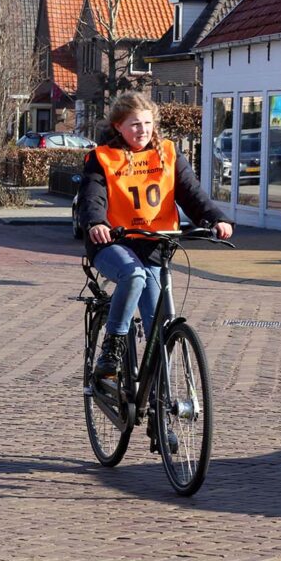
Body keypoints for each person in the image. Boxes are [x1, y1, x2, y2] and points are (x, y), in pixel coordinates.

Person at [78, 91, 233, 383]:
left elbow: (191, 193)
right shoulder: (102, 158)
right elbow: (91, 199)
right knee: (133, 276)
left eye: (147, 123)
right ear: (118, 127)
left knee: (159, 332)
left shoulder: (169, 154)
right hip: (113, 243)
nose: (142, 130)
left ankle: (159, 410)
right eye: (135, 124)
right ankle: (112, 348)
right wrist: (96, 223)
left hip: (155, 244)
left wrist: (216, 218)